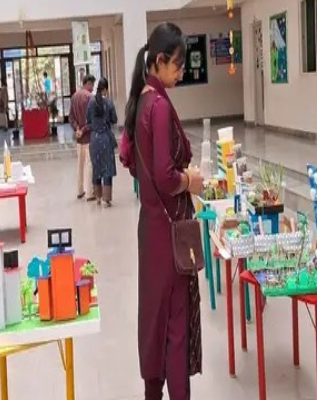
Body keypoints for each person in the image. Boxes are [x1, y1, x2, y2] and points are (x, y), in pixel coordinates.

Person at [119, 23, 204, 400]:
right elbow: (165, 176)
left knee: (153, 319)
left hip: (151, 227)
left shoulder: (141, 100)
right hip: (171, 234)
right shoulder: (159, 107)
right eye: (177, 64)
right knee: (175, 324)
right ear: (158, 60)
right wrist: (191, 180)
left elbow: (135, 164)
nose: (181, 71)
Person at [87, 77, 118, 207]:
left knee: (97, 167)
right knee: (107, 168)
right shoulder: (109, 103)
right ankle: (107, 198)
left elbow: (88, 120)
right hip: (105, 137)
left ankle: (98, 197)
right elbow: (114, 119)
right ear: (105, 89)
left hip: (94, 139)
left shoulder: (91, 103)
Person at [69, 74, 95, 200]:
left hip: (79, 138)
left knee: (80, 164)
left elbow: (71, 118)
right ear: (88, 83)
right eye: (92, 85)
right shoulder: (90, 98)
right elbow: (92, 120)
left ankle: (80, 190)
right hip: (88, 137)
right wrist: (84, 130)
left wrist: (77, 129)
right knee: (89, 164)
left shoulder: (74, 97)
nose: (93, 88)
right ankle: (90, 192)